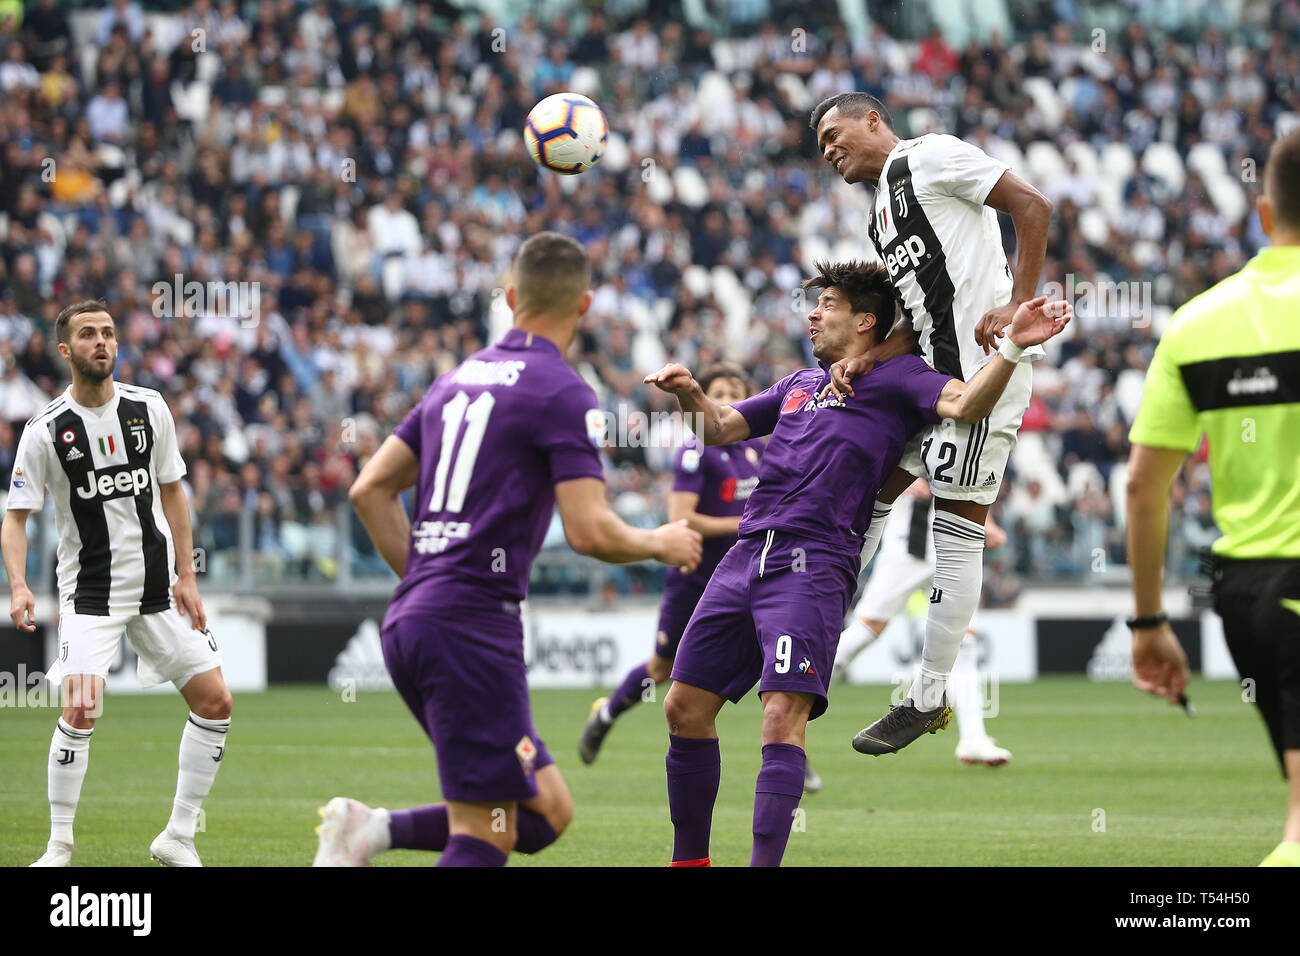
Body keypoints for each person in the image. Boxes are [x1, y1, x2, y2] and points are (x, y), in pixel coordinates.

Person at [647, 260, 1069, 866]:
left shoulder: (901, 380)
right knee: (682, 709)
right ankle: (690, 861)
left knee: (781, 717)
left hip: (813, 561)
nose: (812, 314)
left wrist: (1012, 347)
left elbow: (967, 404)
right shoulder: (798, 383)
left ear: (865, 320)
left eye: (826, 305)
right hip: (746, 553)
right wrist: (688, 392)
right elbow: (718, 429)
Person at [316, 232, 701, 867]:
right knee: (487, 831)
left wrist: (426, 580)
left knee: (546, 811)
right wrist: (658, 541)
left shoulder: (454, 381)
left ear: (513, 295)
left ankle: (372, 831)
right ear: (584, 306)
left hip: (417, 620)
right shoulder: (562, 389)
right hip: (469, 628)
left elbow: (369, 489)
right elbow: (590, 531)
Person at [810, 92, 1053, 755]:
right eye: (820, 146)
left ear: (872, 120)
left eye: (835, 134)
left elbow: (1032, 207)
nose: (829, 150)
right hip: (926, 381)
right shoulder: (880, 218)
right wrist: (870, 357)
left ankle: (926, 694)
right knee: (867, 488)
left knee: (956, 527)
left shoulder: (934, 157)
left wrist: (1017, 308)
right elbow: (917, 319)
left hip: (984, 373)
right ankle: (810, 622)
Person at [1125, 128, 1300, 868]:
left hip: (1250, 599)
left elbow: (1142, 486)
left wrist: (1148, 619)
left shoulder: (1195, 323)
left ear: (1264, 213)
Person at [2, 300, 229, 868]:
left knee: (216, 701)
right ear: (65, 350)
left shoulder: (149, 409)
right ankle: (58, 848)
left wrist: (187, 574)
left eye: (107, 333)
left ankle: (178, 836)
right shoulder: (46, 431)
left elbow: (173, 490)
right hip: (91, 593)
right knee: (81, 707)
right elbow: (16, 517)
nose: (101, 341)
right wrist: (19, 586)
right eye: (87, 334)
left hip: (156, 588)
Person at [836, 478, 1012, 765]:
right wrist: (904, 480)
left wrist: (987, 525)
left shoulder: (962, 440)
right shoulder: (919, 435)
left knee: (964, 641)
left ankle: (973, 738)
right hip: (909, 549)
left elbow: (967, 483)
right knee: (868, 628)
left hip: (951, 550)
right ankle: (798, 687)